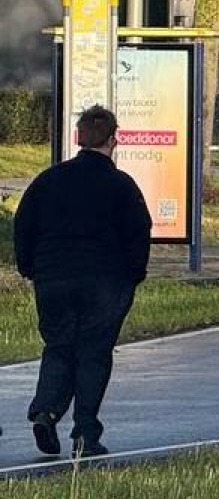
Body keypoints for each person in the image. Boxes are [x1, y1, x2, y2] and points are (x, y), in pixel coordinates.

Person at [11, 105, 152, 458]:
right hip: (105, 279)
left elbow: (24, 225)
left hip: (53, 277)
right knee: (94, 352)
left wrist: (30, 267)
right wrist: (134, 274)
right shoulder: (121, 185)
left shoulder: (48, 180)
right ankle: (86, 432)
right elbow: (138, 232)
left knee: (58, 346)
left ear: (78, 138)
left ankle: (46, 411)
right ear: (113, 140)